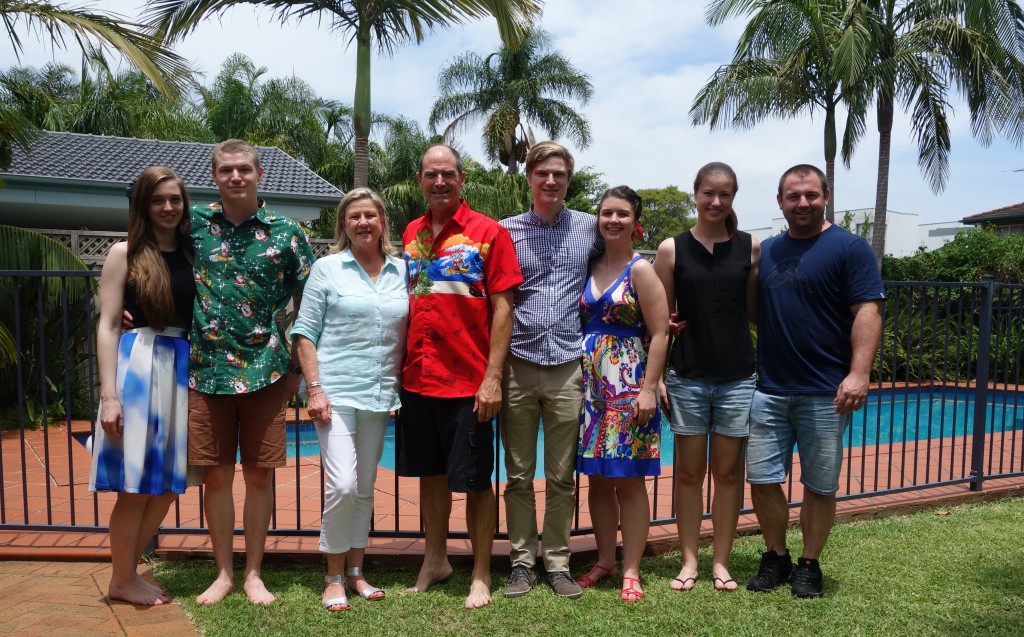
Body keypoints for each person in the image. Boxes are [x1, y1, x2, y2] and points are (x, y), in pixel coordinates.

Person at [746, 164, 884, 598]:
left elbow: (867, 310)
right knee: (763, 478)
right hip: (769, 388)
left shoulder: (849, 248)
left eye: (810, 195)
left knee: (820, 484)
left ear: (825, 195)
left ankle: (809, 564)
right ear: (780, 201)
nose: (802, 203)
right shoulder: (766, 251)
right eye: (793, 196)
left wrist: (859, 372)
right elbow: (752, 311)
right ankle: (776, 556)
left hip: (828, 393)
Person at [186, 139, 314, 605]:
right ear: (215, 176)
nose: (235, 177)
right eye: (226, 170)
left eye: (244, 169)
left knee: (260, 476)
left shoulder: (287, 232)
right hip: (206, 371)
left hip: (267, 369)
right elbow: (154, 263)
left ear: (260, 173)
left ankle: (254, 573)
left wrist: (299, 368)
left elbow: (310, 302)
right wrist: (129, 310)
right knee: (216, 477)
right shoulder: (193, 225)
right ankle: (223, 572)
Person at [397, 144, 523, 609]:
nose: (439, 182)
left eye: (447, 174)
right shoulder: (411, 234)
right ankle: (435, 559)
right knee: (430, 477)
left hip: (469, 382)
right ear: (420, 179)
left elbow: (503, 308)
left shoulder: (488, 233)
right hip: (417, 378)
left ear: (461, 178)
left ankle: (482, 573)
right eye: (431, 174)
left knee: (473, 482)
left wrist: (493, 377)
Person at [291, 188, 408, 611]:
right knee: (341, 484)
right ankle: (333, 576)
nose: (362, 223)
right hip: (334, 392)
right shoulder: (327, 268)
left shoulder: (401, 270)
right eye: (354, 216)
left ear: (382, 223)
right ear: (344, 224)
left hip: (379, 393)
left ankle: (357, 572)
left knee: (363, 488)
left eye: (370, 216)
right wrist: (315, 388)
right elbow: (304, 332)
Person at [91, 166, 199, 605]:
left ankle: (125, 574)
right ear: (143, 205)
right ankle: (122, 580)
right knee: (135, 486)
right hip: (139, 367)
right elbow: (109, 323)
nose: (168, 207)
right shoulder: (125, 252)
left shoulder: (195, 252)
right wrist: (109, 396)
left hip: (181, 368)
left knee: (169, 486)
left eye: (175, 199)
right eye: (158, 200)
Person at [653, 162, 759, 592]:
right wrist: (655, 378)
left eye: (725, 194)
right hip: (688, 375)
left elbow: (754, 313)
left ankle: (721, 562)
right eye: (708, 193)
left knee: (730, 474)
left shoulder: (752, 248)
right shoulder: (671, 249)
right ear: (694, 194)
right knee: (690, 474)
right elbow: (659, 323)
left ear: (733, 198)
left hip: (738, 376)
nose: (716, 202)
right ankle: (690, 561)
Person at [498, 141, 595, 600]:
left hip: (567, 366)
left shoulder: (592, 228)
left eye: (558, 174)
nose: (550, 181)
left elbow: (622, 271)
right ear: (529, 178)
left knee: (561, 475)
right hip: (517, 362)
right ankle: (521, 563)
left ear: (568, 179)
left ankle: (557, 563)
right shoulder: (505, 231)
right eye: (542, 174)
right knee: (518, 475)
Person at [577, 186, 670, 603]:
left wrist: (649, 388)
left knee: (629, 482)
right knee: (597, 479)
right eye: (606, 213)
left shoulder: (641, 269)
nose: (613, 220)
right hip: (591, 391)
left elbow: (661, 331)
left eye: (622, 214)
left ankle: (631, 568)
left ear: (636, 222)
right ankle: (605, 559)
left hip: (629, 386)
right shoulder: (590, 263)